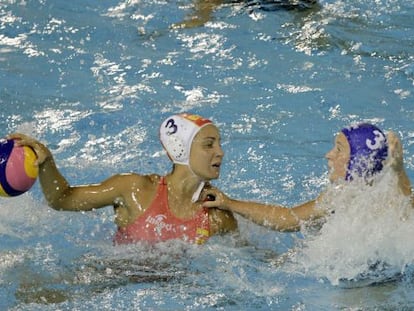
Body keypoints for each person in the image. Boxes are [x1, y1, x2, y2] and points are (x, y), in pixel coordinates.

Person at [9, 113, 318, 245]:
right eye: (209, 144)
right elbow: (62, 200)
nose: (220, 152)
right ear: (180, 149)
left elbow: (247, 261)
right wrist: (47, 163)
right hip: (110, 278)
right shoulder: (133, 189)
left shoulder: (217, 217)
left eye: (220, 144)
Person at [203, 123, 413, 228]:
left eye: (339, 150)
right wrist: (229, 203)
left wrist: (399, 172)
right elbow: (289, 218)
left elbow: (407, 214)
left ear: (358, 161)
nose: (328, 155)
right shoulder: (339, 196)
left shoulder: (387, 203)